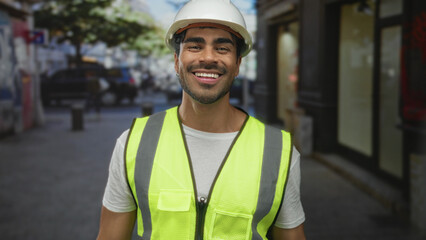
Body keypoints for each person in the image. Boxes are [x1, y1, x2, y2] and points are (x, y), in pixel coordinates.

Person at [97, 0, 306, 239]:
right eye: (195, 46)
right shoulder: (133, 144)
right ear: (177, 61)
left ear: (238, 64)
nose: (208, 57)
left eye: (222, 48)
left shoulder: (279, 151)